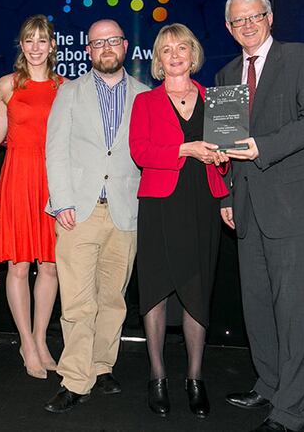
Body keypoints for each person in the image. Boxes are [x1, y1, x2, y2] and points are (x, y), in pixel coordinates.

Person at [215, 0, 304, 432]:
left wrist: (262, 147)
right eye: (238, 21)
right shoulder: (227, 73)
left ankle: (290, 411)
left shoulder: (303, 59)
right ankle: (268, 384)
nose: (247, 25)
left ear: (269, 17)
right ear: (229, 29)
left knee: (294, 312)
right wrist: (227, 195)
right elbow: (226, 147)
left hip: (298, 207)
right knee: (258, 308)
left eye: (254, 16)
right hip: (247, 208)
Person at [43, 19, 149, 413]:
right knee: (76, 302)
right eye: (98, 42)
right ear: (88, 50)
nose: (106, 47)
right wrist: (62, 201)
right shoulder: (69, 92)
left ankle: (103, 366)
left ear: (125, 47)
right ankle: (75, 379)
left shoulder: (145, 96)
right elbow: (54, 150)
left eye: (113, 41)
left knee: (114, 300)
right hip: (78, 212)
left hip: (125, 212)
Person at [129, 23, 229, 419]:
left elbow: (228, 151)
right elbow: (140, 152)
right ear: (158, 58)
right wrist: (186, 148)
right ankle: (157, 376)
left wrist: (223, 162)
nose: (174, 54)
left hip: (203, 202)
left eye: (181, 47)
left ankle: (194, 377)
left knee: (197, 287)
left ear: (193, 53)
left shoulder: (217, 99)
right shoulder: (145, 102)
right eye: (166, 49)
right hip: (159, 205)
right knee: (155, 289)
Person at [0, 14, 64, 380]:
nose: (35, 47)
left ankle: (40, 338)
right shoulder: (6, 85)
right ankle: (26, 343)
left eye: (42, 40)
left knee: (50, 265)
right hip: (18, 178)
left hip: (53, 182)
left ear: (52, 45)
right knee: (17, 265)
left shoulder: (65, 87)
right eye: (28, 40)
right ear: (21, 45)